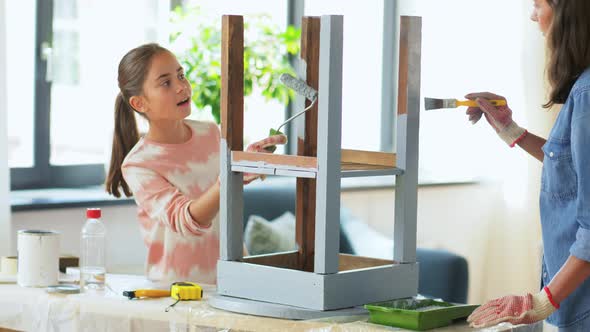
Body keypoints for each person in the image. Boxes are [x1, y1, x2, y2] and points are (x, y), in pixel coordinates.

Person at [105, 43, 286, 284]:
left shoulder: (210, 133)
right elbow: (187, 220)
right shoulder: (139, 165)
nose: (182, 86)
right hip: (178, 291)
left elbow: (226, 190)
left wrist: (247, 162)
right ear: (139, 103)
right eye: (166, 82)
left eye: (181, 75)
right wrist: (230, 177)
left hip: (233, 279)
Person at [464, 0, 590, 330]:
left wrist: (541, 301)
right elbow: (571, 168)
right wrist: (511, 130)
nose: (533, 15)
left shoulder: (588, 93)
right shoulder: (583, 88)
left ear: (567, 12)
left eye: (537, 5)